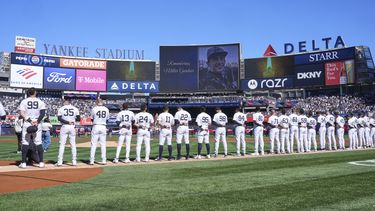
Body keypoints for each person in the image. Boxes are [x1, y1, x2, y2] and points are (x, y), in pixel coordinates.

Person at [18, 88, 46, 168]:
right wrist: (37, 121)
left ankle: (23, 163)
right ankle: (41, 162)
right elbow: (43, 113)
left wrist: (30, 121)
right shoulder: (40, 101)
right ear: (35, 92)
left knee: (25, 142)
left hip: (27, 122)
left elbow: (22, 113)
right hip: (37, 123)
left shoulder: (24, 101)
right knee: (38, 142)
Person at [56, 99, 80, 166]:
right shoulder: (75, 108)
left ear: (66, 101)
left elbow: (59, 119)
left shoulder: (61, 108)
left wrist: (67, 122)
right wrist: (72, 121)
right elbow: (78, 118)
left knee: (62, 145)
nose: (63, 102)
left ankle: (60, 161)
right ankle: (74, 161)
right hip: (72, 126)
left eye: (64, 101)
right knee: (73, 144)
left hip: (64, 126)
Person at [89, 98, 110, 165]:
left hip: (96, 125)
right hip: (103, 126)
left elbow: (92, 119)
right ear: (102, 102)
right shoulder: (106, 109)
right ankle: (104, 160)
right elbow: (107, 120)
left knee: (93, 144)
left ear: (97, 102)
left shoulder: (94, 109)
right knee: (103, 144)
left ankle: (92, 161)